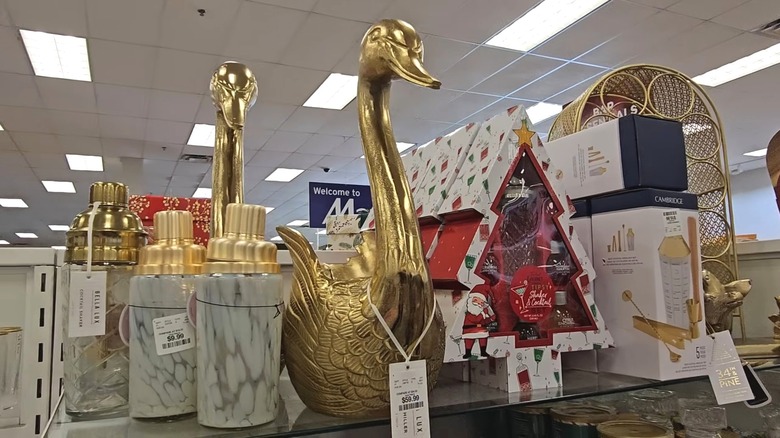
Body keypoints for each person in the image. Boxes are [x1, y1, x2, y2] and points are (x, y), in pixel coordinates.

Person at [462, 287, 497, 359]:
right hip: (469, 329)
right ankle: (468, 352)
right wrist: (484, 312)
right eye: (475, 300)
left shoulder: (483, 310)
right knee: (469, 339)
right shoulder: (471, 311)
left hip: (481, 328)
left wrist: (490, 318)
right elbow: (476, 319)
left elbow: (486, 320)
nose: (479, 303)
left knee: (483, 338)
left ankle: (483, 351)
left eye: (481, 302)